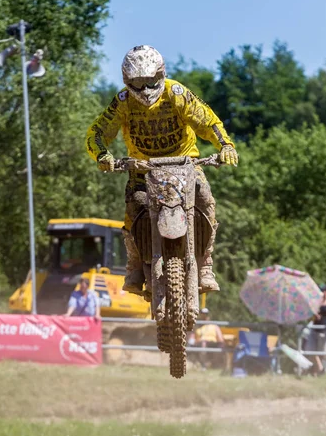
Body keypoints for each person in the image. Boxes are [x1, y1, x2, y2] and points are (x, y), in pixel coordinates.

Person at [86, 45, 238, 295]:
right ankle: (134, 264)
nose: (145, 89)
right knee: (134, 204)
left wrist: (226, 145)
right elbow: (97, 132)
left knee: (205, 198)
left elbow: (208, 120)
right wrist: (102, 155)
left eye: (150, 81)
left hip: (184, 164)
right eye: (138, 82)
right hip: (142, 168)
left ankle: (206, 263)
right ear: (127, 81)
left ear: (161, 74)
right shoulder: (123, 102)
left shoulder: (176, 93)